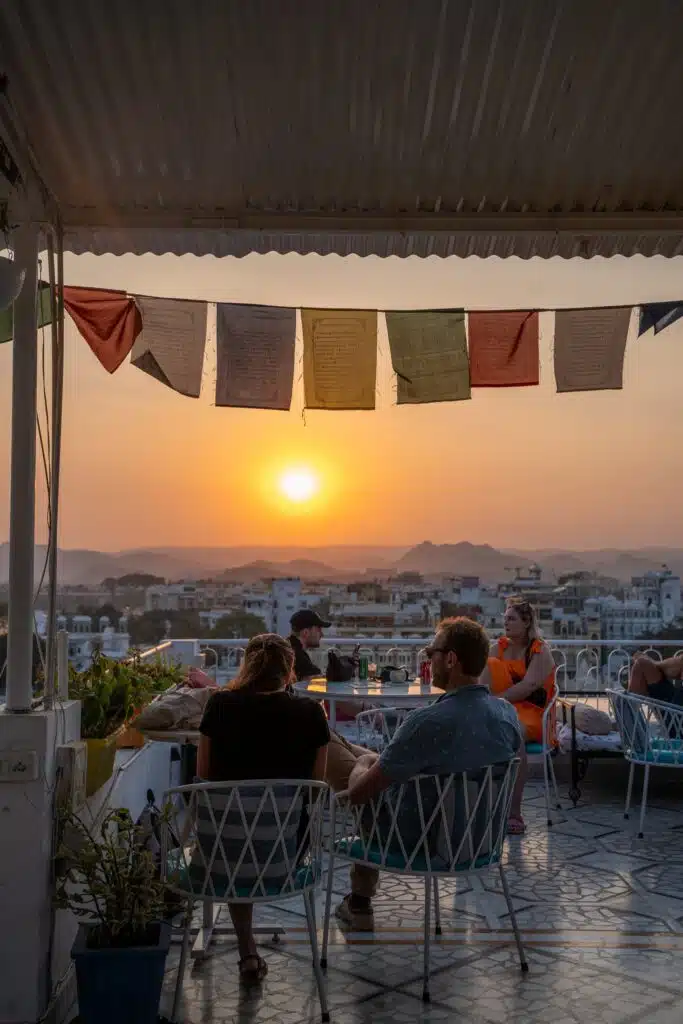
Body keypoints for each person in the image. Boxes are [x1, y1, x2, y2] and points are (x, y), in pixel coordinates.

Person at [344, 618, 523, 917]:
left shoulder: (426, 723)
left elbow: (358, 795)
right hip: (483, 841)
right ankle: (358, 902)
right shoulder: (506, 714)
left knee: (349, 760)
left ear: (450, 659)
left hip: (418, 843)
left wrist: (363, 763)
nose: (428, 658)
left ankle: (358, 903)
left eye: (431, 652)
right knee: (371, 761)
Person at [197, 633, 329, 986]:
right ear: (289, 669)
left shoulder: (219, 705)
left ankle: (247, 949)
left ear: (247, 667)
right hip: (285, 853)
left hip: (223, 852)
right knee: (260, 832)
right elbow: (316, 791)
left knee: (238, 834)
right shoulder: (311, 713)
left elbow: (204, 776)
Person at [480, 598, 556, 835]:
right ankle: (480, 806)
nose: (506, 623)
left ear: (526, 622)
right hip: (502, 707)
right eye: (505, 619)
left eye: (512, 619)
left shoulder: (539, 651)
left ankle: (514, 811)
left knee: (514, 733)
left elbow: (529, 685)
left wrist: (497, 701)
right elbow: (483, 679)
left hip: (533, 714)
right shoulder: (498, 648)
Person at [288, 608, 331, 680]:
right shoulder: (297, 656)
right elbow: (318, 680)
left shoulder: (287, 648)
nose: (321, 634)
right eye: (318, 630)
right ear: (306, 632)